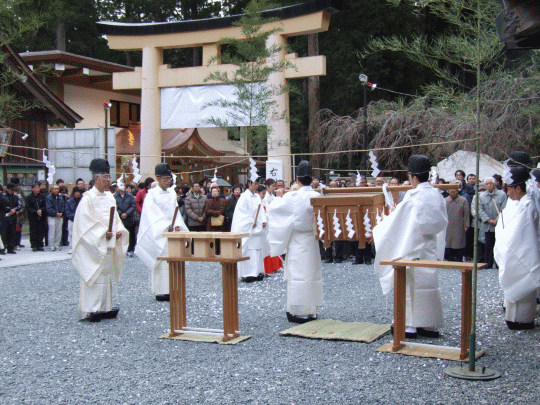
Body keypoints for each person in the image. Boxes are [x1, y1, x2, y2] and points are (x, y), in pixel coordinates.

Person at [373, 155, 448, 338]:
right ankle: (429, 324)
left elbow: (396, 223)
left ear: (413, 177)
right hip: (429, 245)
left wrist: (378, 229)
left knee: (408, 285)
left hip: (411, 245)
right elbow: (441, 222)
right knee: (428, 284)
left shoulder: (413, 197)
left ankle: (409, 325)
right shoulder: (436, 195)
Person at [72, 158, 128, 322]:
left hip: (108, 243)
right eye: (105, 177)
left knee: (106, 275)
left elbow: (115, 218)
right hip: (95, 243)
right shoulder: (87, 198)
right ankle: (91, 309)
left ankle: (105, 307)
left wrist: (118, 230)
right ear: (96, 179)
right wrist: (103, 233)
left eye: (109, 177)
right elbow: (85, 223)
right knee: (95, 274)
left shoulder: (110, 197)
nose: (109, 180)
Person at [268, 160, 322, 323]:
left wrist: (277, 197)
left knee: (298, 275)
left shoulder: (293, 196)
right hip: (312, 240)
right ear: (312, 178)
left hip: (298, 240)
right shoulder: (317, 195)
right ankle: (311, 310)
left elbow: (275, 210)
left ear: (297, 179)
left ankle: (299, 311)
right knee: (311, 273)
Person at [494, 164, 540, 330]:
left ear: (519, 189)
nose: (507, 192)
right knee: (515, 298)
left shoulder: (527, 205)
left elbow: (520, 236)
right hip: (513, 249)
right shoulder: (519, 204)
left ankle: (524, 320)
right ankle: (515, 318)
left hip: (522, 252)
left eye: (510, 188)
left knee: (523, 289)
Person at [135, 163, 188, 301]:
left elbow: (175, 212)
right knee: (161, 261)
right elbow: (151, 215)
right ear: (158, 179)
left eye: (169, 178)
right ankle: (160, 291)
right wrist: (165, 226)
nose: (168, 181)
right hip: (159, 232)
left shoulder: (171, 193)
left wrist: (176, 225)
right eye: (165, 179)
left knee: (173, 260)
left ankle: (173, 288)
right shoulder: (151, 195)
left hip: (171, 233)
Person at [231, 178, 266, 282]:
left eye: (258, 183)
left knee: (257, 250)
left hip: (257, 229)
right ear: (249, 183)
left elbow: (260, 212)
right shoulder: (244, 197)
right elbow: (240, 214)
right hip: (248, 227)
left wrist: (263, 220)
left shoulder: (257, 197)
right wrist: (251, 221)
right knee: (249, 251)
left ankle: (258, 271)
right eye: (255, 183)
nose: (257, 185)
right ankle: (248, 273)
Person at [477, 177, 507, 268]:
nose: (489, 185)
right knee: (488, 245)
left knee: (499, 245)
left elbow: (504, 208)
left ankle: (499, 264)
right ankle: (488, 263)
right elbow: (480, 210)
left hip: (498, 224)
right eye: (487, 184)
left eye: (491, 183)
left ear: (494, 184)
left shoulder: (502, 195)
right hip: (487, 225)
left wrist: (497, 220)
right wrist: (488, 220)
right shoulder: (481, 196)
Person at [444, 181, 470, 262]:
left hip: (459, 224)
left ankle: (459, 258)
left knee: (459, 242)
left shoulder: (463, 200)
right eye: (450, 191)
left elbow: (466, 213)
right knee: (448, 242)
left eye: (454, 191)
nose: (452, 193)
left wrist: (466, 225)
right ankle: (449, 258)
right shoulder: (445, 200)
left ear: (458, 191)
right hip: (448, 224)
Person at [114, 183, 137, 256]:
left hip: (129, 218)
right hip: (119, 218)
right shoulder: (115, 196)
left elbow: (133, 205)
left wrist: (127, 213)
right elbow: (114, 206)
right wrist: (120, 213)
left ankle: (130, 249)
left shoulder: (129, 195)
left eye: (123, 185)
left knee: (130, 234)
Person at [0, 183, 21, 254]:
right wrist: (9, 210)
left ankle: (11, 248)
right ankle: (3, 248)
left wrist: (15, 210)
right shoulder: (3, 196)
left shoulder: (15, 196)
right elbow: (2, 205)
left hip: (13, 217)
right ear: (7, 189)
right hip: (4, 216)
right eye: (10, 190)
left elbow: (19, 205)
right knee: (4, 233)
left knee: (12, 232)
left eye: (13, 190)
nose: (12, 191)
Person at [26, 183, 47, 251]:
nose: (37, 189)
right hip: (33, 216)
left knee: (41, 230)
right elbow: (28, 207)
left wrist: (41, 210)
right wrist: (35, 211)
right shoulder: (29, 197)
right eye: (35, 188)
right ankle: (34, 245)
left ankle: (40, 244)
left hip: (41, 216)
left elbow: (45, 205)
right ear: (32, 189)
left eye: (38, 188)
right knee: (33, 231)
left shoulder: (42, 196)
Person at [45, 184, 65, 251]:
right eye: (54, 189)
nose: (56, 190)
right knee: (52, 231)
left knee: (59, 231)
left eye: (57, 189)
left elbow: (63, 206)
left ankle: (57, 244)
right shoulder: (48, 197)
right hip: (52, 216)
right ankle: (51, 245)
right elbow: (48, 208)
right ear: (52, 189)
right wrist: (55, 213)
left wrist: (61, 212)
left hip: (60, 216)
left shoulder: (60, 197)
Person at [64, 186, 83, 254]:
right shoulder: (69, 201)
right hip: (72, 220)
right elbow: (67, 211)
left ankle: (79, 248)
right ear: (74, 193)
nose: (78, 194)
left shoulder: (82, 200)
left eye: (79, 192)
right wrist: (74, 217)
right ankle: (72, 247)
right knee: (71, 234)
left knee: (80, 234)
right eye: (76, 192)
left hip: (81, 220)